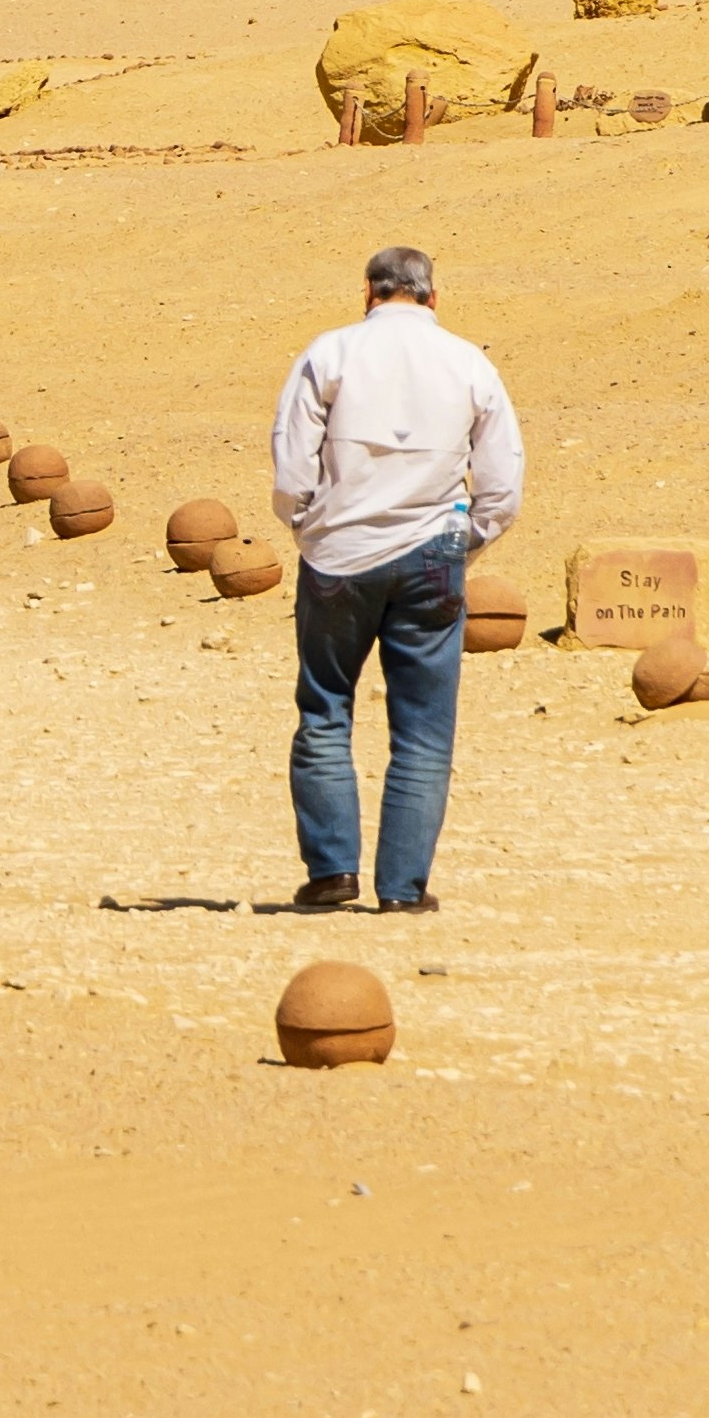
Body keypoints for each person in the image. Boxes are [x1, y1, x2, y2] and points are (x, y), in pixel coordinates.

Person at [267, 241, 524, 915]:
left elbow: (292, 468)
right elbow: (503, 485)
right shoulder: (470, 363)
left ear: (369, 293)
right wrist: (462, 544)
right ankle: (403, 889)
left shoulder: (330, 354)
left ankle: (331, 873)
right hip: (431, 557)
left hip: (338, 555)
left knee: (325, 708)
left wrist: (309, 529)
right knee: (423, 730)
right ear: (433, 297)